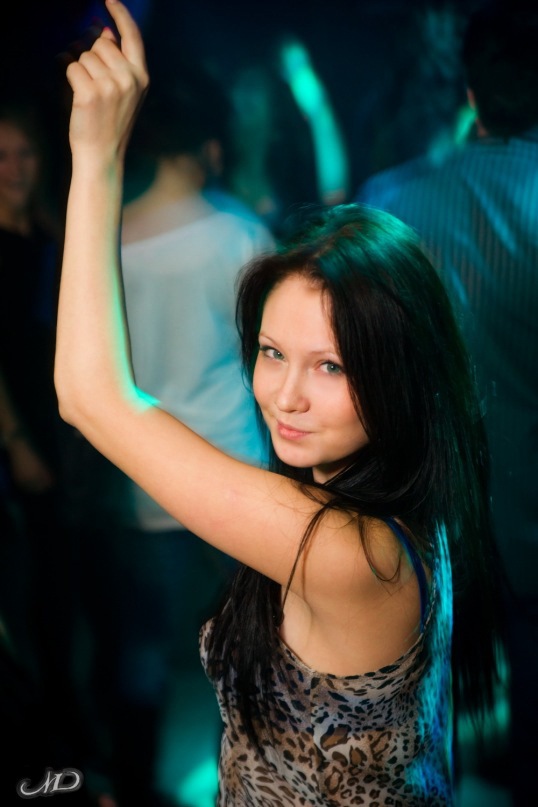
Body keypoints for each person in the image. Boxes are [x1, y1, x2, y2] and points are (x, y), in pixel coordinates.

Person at [56, 3, 501, 805]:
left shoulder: (350, 551)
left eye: (330, 366)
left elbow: (91, 397)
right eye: (270, 353)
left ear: (399, 372)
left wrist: (97, 157)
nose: (284, 395)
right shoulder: (409, 489)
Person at [63, 63, 274, 805]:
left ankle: (134, 785)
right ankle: (243, 782)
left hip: (145, 472)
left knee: (143, 647)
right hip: (232, 471)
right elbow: (265, 354)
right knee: (248, 649)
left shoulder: (110, 234)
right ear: (208, 146)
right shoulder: (239, 234)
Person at [356, 5, 538, 804]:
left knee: (426, 698)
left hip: (420, 505)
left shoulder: (390, 203)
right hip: (531, 509)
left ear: (470, 91)